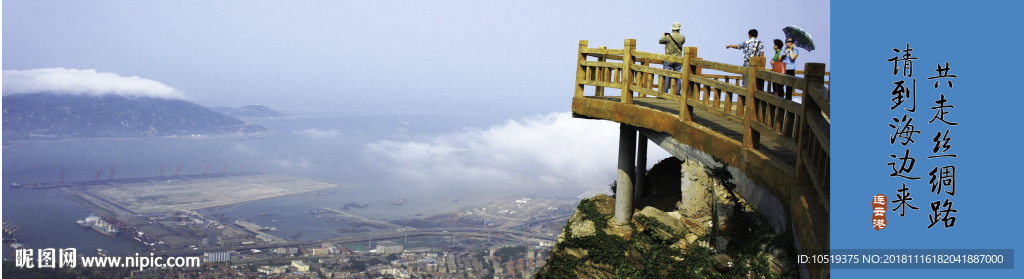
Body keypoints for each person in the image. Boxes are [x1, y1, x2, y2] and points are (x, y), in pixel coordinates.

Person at [659, 22, 685, 95]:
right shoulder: (682, 37)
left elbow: (660, 41)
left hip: (669, 58)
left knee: (667, 75)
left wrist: (663, 37)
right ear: (679, 29)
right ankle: (677, 92)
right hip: (679, 59)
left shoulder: (668, 37)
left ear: (672, 29)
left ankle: (665, 92)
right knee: (678, 76)